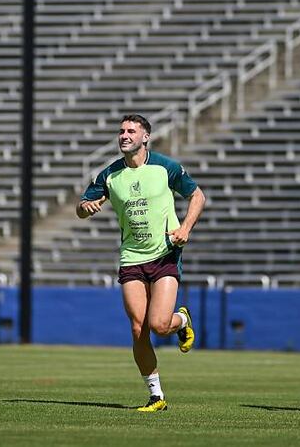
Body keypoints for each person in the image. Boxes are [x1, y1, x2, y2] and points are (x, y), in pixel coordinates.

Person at [77, 114, 206, 412]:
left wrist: (185, 228)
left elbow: (198, 196)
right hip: (132, 258)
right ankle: (156, 396)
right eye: (121, 131)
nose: (124, 135)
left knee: (159, 325)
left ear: (145, 137)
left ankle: (182, 320)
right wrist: (86, 207)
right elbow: (81, 208)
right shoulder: (109, 175)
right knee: (138, 328)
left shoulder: (165, 167)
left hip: (164, 254)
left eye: (131, 131)